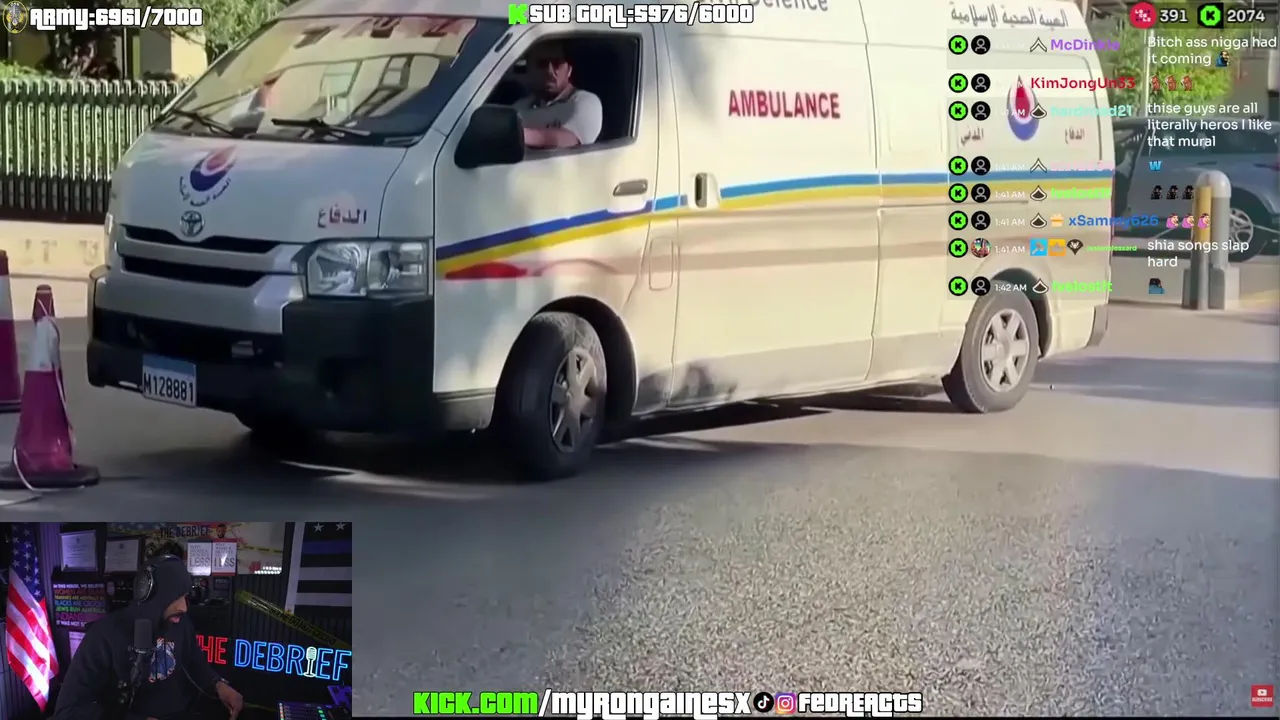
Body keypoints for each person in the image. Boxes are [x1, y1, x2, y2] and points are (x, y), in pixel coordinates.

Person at [53, 555, 243, 720]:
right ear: (149, 593)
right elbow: (68, 711)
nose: (184, 607)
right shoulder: (103, 635)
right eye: (175, 597)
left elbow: (195, 662)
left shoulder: (181, 623)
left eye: (186, 597)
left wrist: (218, 685)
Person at [512, 42, 603, 150]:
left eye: (557, 63)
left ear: (569, 69)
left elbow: (567, 140)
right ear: (529, 69)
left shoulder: (586, 102)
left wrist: (518, 135)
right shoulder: (520, 107)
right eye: (542, 64)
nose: (550, 71)